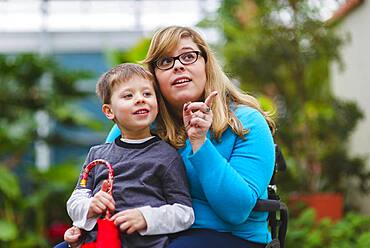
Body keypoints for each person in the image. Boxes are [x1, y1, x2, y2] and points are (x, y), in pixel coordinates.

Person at [106, 26, 276, 248]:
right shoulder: (134, 124)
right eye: (166, 61)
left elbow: (236, 210)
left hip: (228, 236)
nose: (178, 66)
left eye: (188, 56)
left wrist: (200, 143)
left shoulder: (248, 122)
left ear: (206, 64)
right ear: (154, 78)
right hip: (146, 233)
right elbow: (103, 183)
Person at [58, 63, 194, 248]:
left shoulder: (167, 156)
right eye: (128, 95)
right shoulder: (97, 155)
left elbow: (184, 213)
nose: (140, 99)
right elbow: (75, 202)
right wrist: (89, 208)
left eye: (147, 94)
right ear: (108, 111)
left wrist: (146, 218)